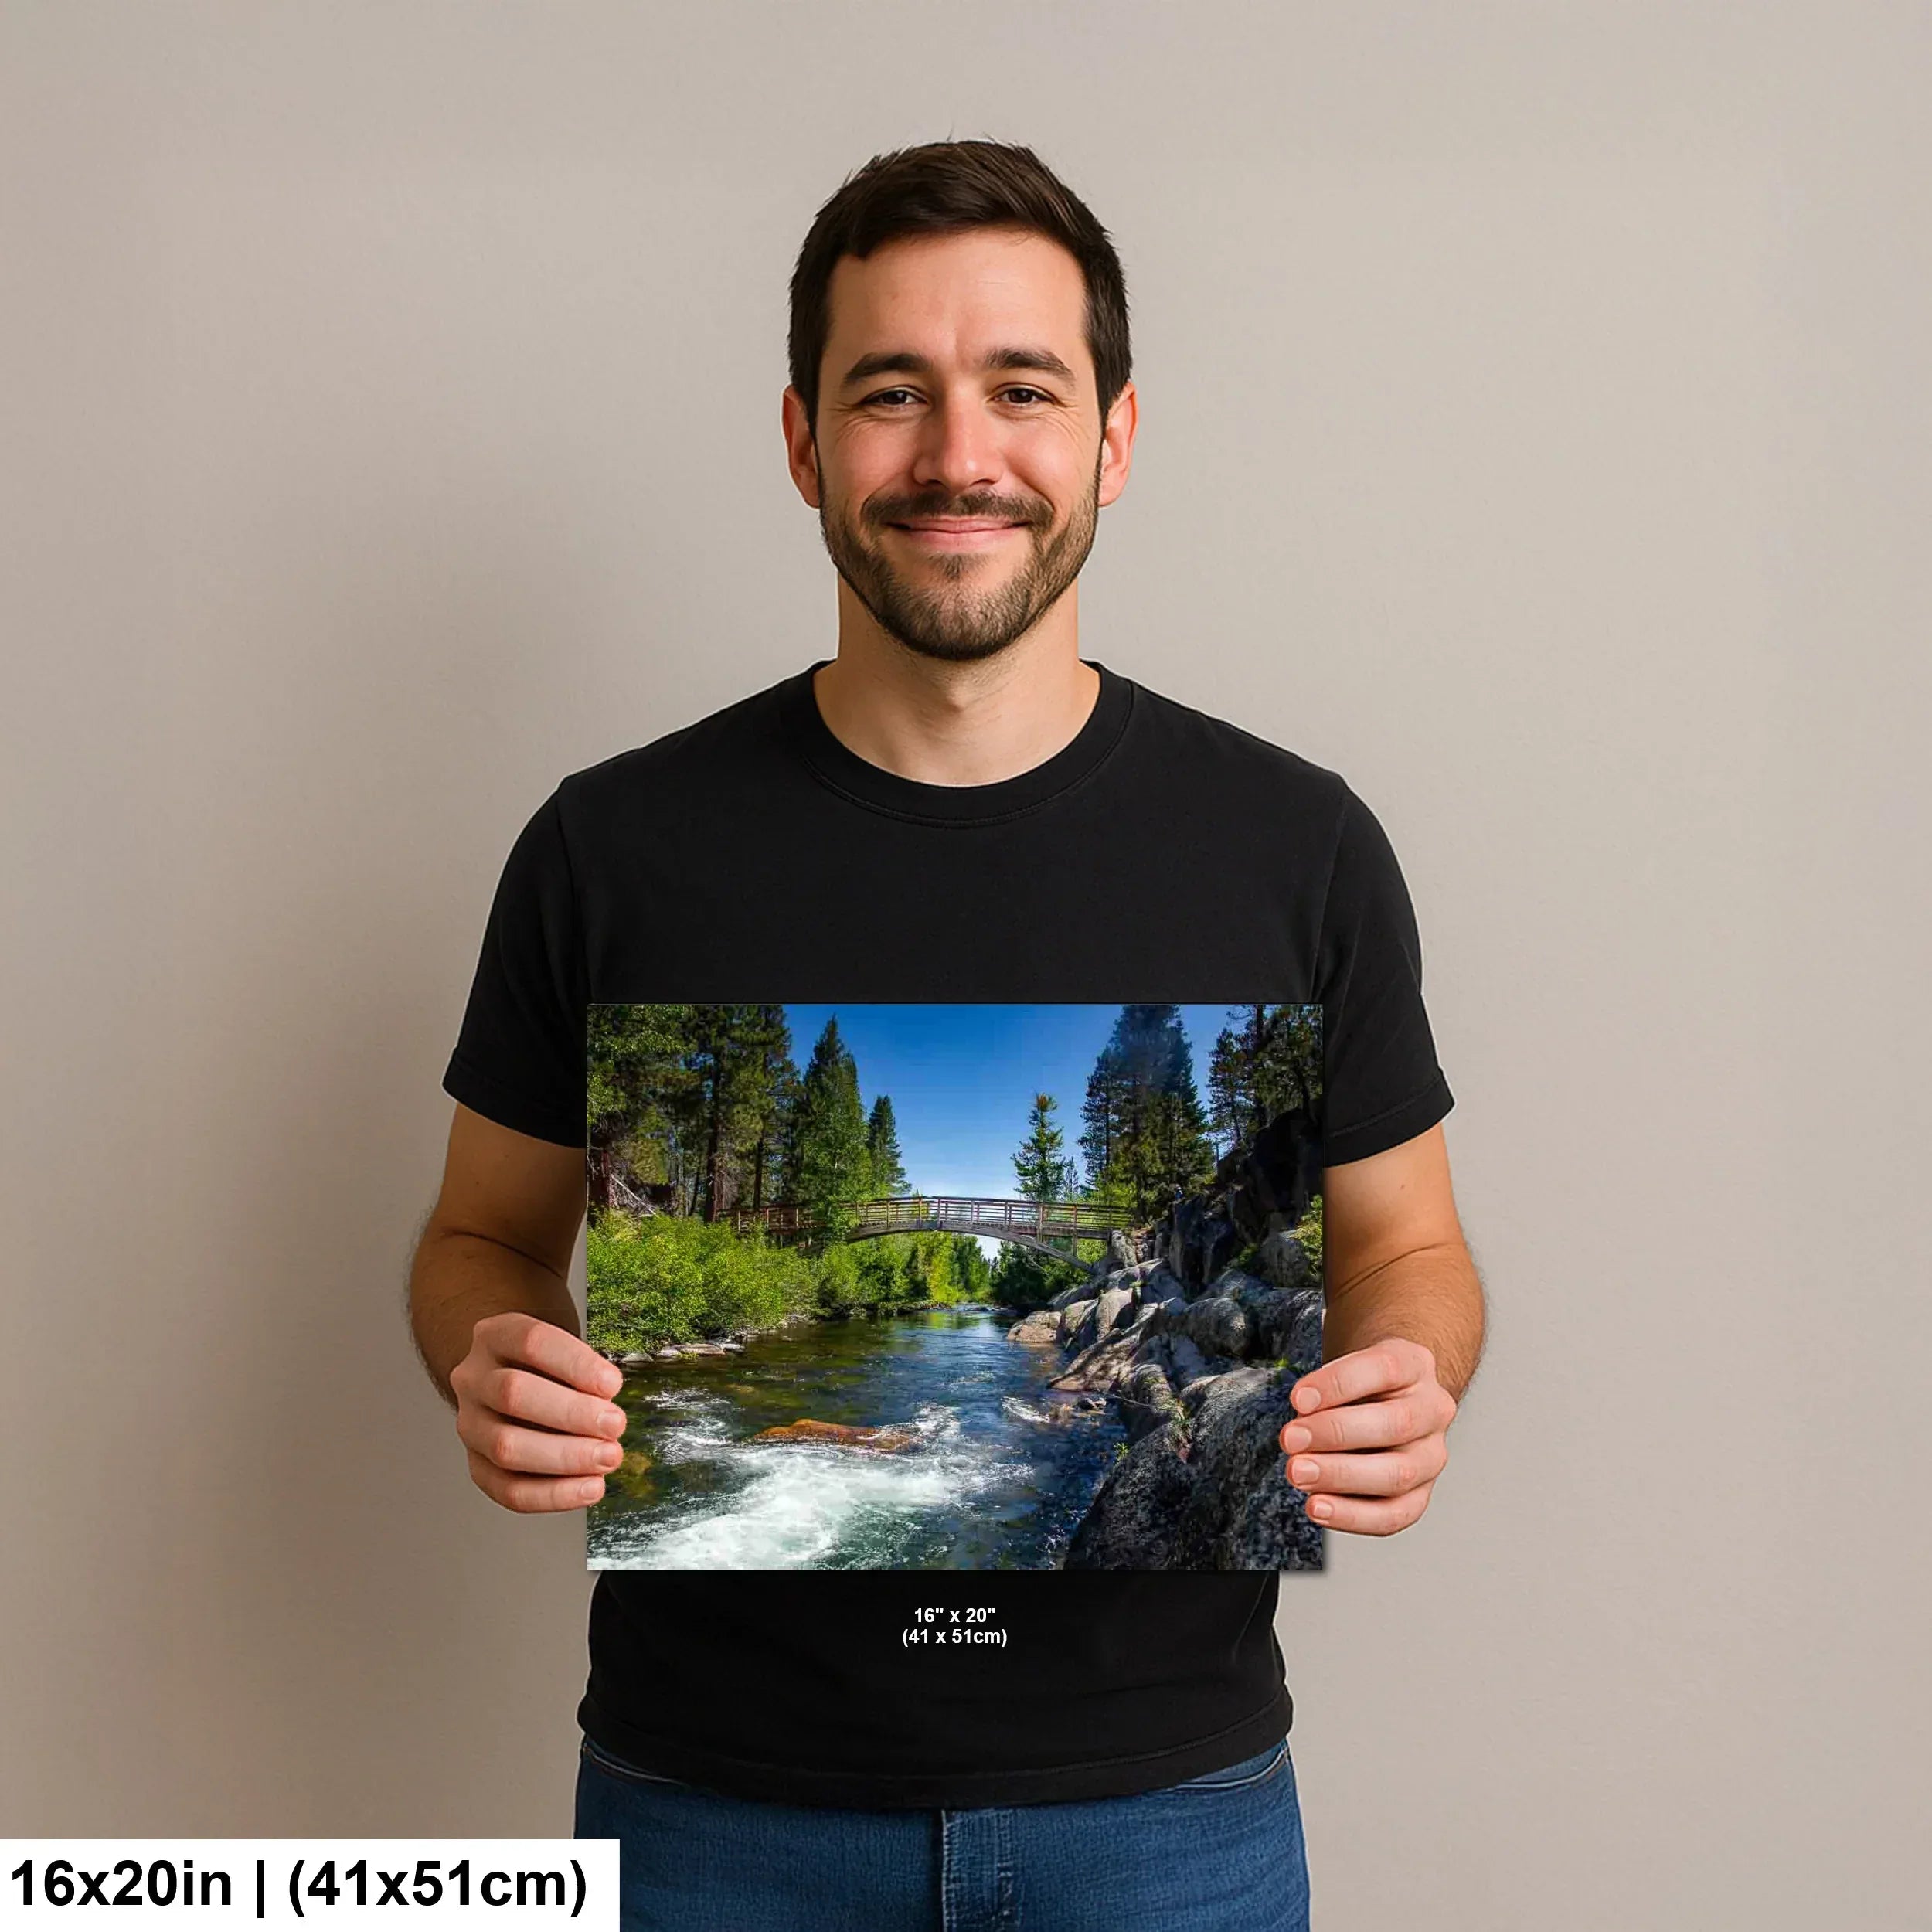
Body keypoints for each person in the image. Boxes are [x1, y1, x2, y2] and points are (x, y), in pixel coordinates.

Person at [408, 138, 1485, 1932]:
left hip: (1171, 1815)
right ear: (801, 441)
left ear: (1112, 439)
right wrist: (494, 1350)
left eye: (1020, 389)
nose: (957, 454)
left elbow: (1414, 1251)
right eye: (889, 393)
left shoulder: (1296, 845)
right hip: (707, 1820)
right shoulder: (611, 845)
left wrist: (1408, 1376)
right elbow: (477, 1236)